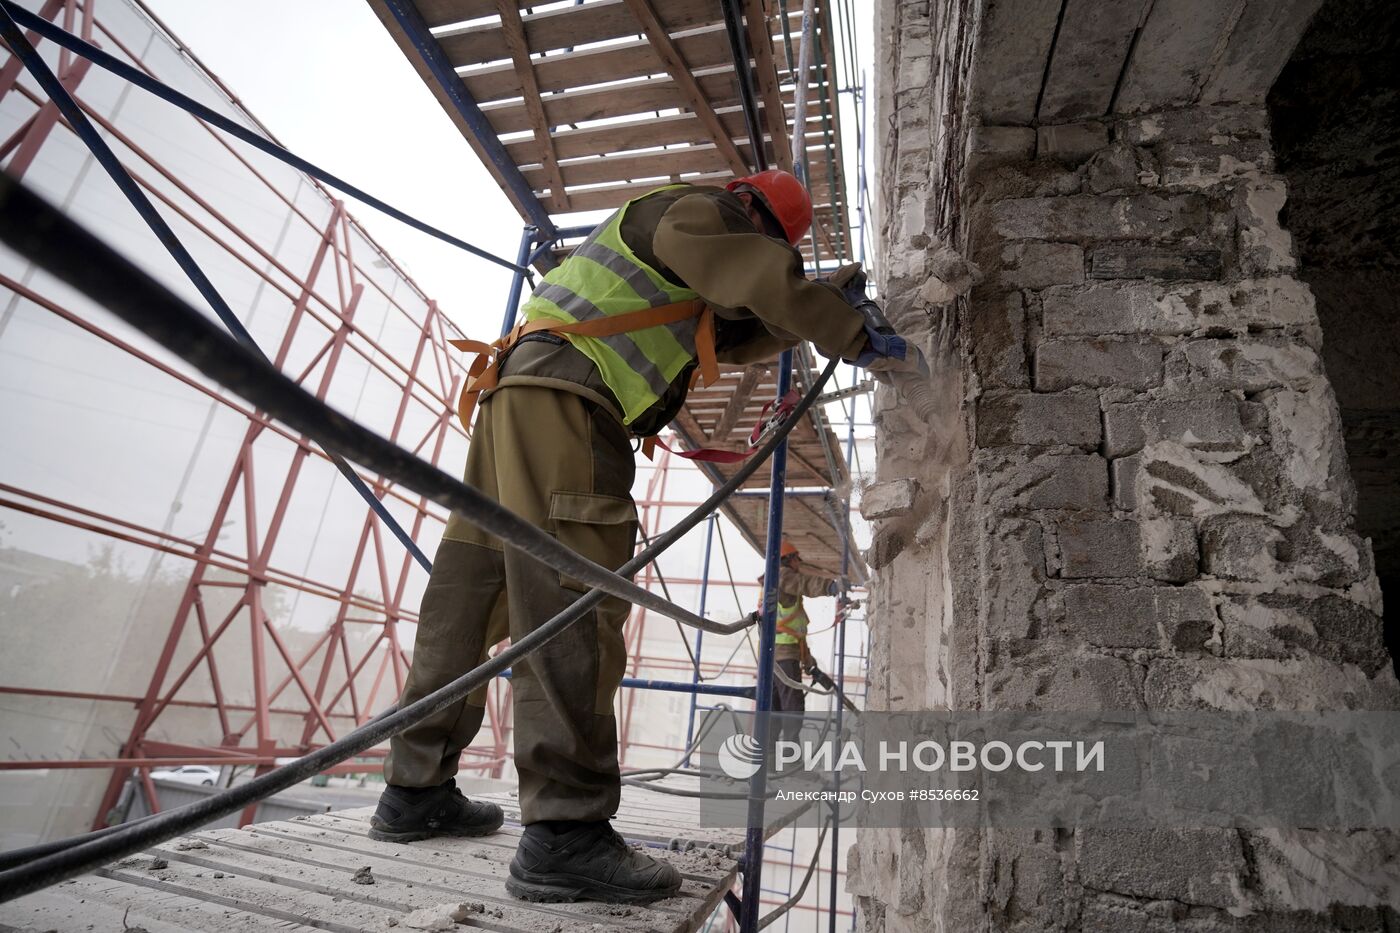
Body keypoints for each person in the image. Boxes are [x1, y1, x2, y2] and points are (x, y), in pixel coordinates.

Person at [369, 169, 912, 905]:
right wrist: (850, 330)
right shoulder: (699, 212)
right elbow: (754, 273)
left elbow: (745, 321)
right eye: (772, 243)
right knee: (573, 607)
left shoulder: (666, 249)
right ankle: (566, 834)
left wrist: (826, 296)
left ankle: (415, 786)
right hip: (568, 403)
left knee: (468, 598)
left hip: (516, 398)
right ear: (752, 217)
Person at [769, 538, 841, 748]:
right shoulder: (783, 577)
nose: (798, 564)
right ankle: (791, 762)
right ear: (788, 559)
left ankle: (769, 762)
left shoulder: (776, 582)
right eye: (796, 560)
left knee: (773, 708)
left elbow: (796, 633)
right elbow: (805, 583)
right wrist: (830, 586)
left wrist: (807, 659)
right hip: (784, 657)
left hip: (776, 656)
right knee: (793, 708)